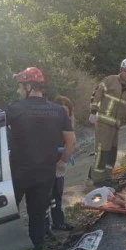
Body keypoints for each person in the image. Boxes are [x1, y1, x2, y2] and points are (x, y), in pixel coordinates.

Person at [6, 67, 75, 250]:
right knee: (37, 215)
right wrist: (61, 163)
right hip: (45, 173)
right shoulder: (57, 111)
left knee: (8, 214)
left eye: (21, 86)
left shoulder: (14, 109)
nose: (20, 90)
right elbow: (70, 142)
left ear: (28, 86)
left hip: (18, 172)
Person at [89, 58, 126, 186]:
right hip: (103, 123)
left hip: (115, 126)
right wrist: (93, 111)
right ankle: (97, 179)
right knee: (102, 151)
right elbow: (97, 94)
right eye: (125, 71)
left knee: (112, 153)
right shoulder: (110, 80)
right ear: (120, 70)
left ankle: (106, 178)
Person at [48, 96, 75, 232]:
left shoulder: (67, 124)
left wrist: (65, 157)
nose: (64, 114)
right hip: (50, 164)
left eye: (67, 111)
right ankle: (50, 226)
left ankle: (58, 222)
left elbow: (69, 142)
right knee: (49, 197)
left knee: (57, 195)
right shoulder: (50, 124)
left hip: (59, 165)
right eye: (62, 110)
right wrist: (63, 156)